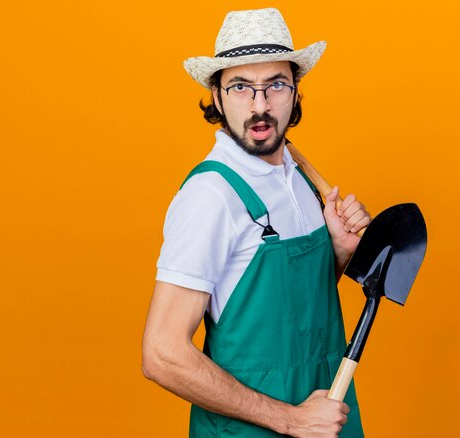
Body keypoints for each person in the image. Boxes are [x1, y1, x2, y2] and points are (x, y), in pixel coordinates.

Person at [142, 8, 370, 437]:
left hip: (328, 414)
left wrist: (338, 252)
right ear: (216, 95)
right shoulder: (211, 196)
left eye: (276, 85)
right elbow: (162, 353)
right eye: (241, 87)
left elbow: (287, 313)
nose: (260, 106)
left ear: (296, 92)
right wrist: (291, 419)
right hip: (256, 429)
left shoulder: (300, 181)